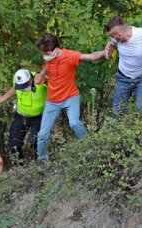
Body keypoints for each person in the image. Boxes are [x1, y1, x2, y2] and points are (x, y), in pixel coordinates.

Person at [34, 33, 106, 163]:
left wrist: (106, 50)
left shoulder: (69, 55)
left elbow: (91, 57)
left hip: (70, 97)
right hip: (52, 101)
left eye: (47, 53)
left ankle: (89, 148)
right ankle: (42, 161)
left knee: (74, 123)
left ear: (55, 49)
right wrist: (41, 75)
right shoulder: (49, 57)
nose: (45, 56)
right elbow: (46, 67)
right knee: (42, 135)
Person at [104, 16, 142, 115]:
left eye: (113, 37)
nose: (112, 39)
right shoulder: (117, 38)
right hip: (123, 78)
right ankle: (116, 130)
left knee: (141, 110)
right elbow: (113, 42)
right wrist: (110, 46)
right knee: (117, 112)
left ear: (119, 35)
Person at [0, 69, 47, 165]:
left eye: (24, 85)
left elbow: (57, 86)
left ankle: (40, 166)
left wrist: (46, 79)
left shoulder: (40, 78)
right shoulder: (17, 80)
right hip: (20, 116)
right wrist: (2, 98)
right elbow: (14, 88)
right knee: (14, 144)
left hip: (39, 117)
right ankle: (20, 167)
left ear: (30, 80)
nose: (22, 88)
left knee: (35, 142)